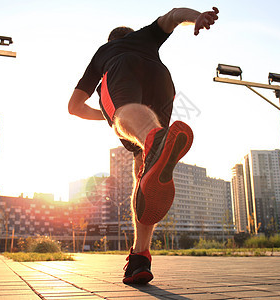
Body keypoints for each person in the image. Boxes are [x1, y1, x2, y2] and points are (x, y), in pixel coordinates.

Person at [68, 6, 219, 284]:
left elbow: (74, 107)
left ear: (110, 41)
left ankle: (153, 138)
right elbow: (173, 15)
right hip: (162, 82)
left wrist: (110, 117)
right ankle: (140, 258)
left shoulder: (106, 52)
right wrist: (198, 16)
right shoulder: (146, 37)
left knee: (123, 111)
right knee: (145, 173)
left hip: (123, 70)